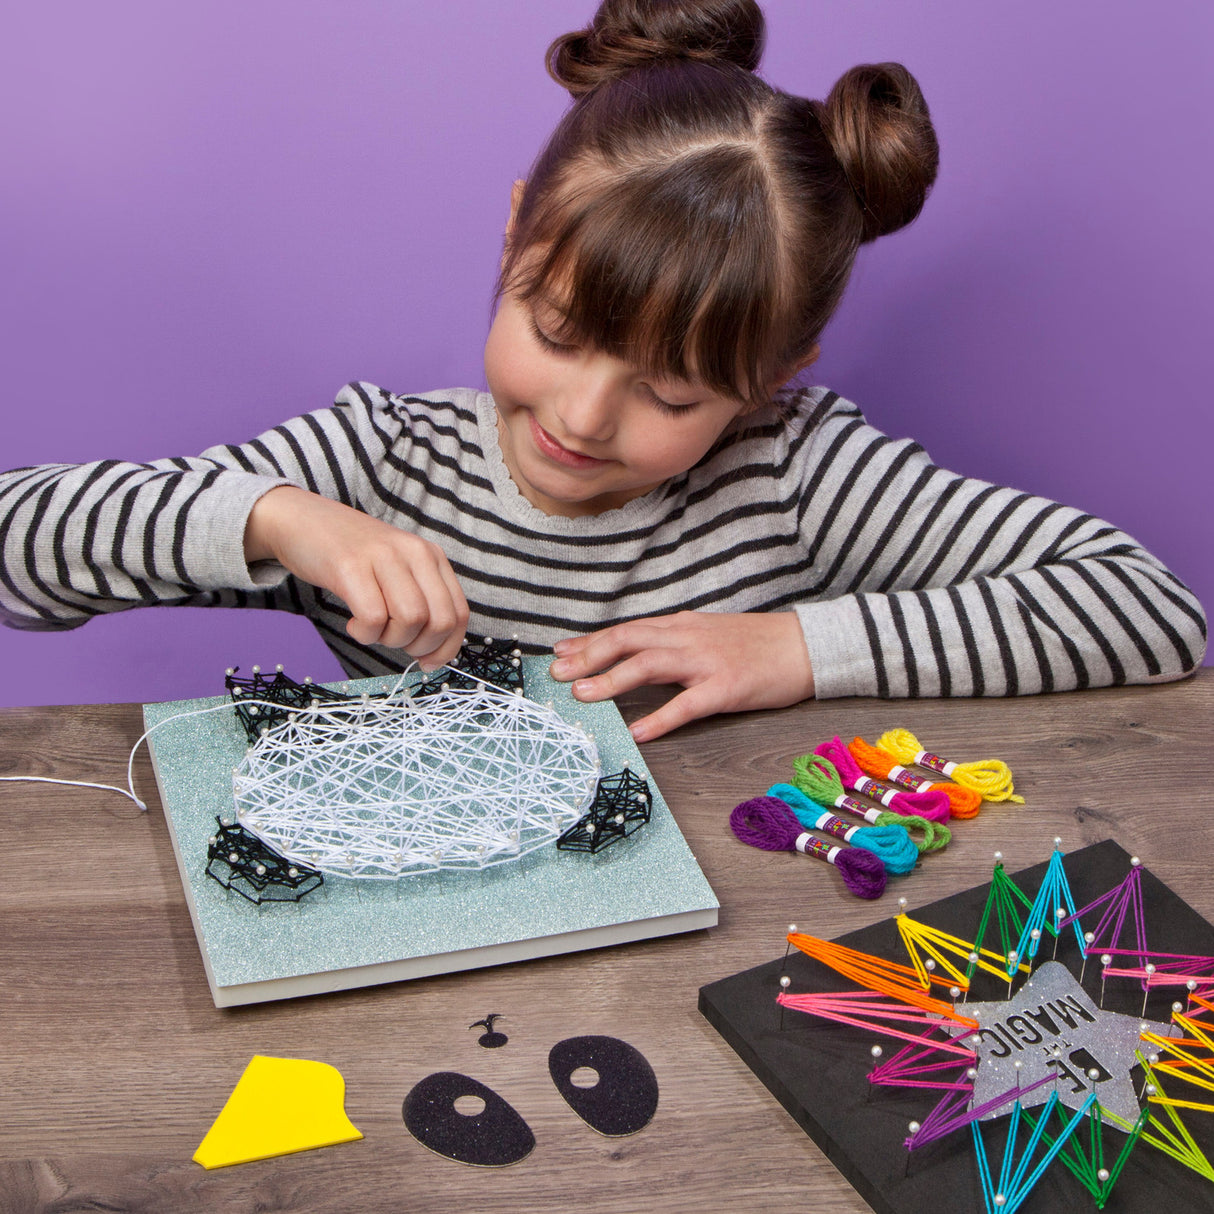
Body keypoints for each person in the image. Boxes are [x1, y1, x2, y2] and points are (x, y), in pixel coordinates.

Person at [0, 0, 1205, 742]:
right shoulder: (380, 458)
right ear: (519, 233)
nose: (581, 416)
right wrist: (274, 515)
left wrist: (789, 648)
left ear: (776, 377)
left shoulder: (796, 474)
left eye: (672, 394)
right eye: (556, 329)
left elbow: (1149, 610)